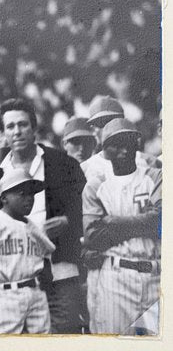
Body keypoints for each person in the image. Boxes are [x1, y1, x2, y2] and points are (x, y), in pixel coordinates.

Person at [0, 98, 86, 334]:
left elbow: (87, 208)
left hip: (60, 275)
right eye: (10, 127)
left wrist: (69, 221)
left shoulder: (63, 164)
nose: (17, 131)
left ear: (34, 127)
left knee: (65, 338)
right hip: (16, 283)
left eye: (22, 124)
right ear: (3, 133)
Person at [82, 118, 161, 335]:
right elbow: (93, 237)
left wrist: (115, 221)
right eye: (115, 143)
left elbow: (163, 221)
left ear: (137, 143)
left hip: (155, 275)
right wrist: (145, 221)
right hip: (116, 275)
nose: (124, 149)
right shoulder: (96, 184)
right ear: (105, 149)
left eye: (128, 141)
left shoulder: (155, 176)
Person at [0, 169, 55, 334]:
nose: (29, 198)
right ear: (4, 198)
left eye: (32, 194)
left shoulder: (33, 226)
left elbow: (47, 251)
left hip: (35, 293)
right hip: (4, 294)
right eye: (22, 193)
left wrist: (46, 269)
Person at [83, 96, 160, 181]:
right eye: (100, 123)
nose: (108, 128)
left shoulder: (149, 162)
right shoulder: (86, 168)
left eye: (111, 121)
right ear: (94, 130)